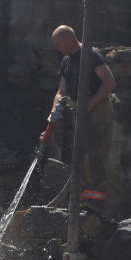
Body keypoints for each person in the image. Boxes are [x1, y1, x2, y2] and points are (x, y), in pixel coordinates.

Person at [48, 24, 120, 213]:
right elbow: (61, 92)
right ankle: (84, 202)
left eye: (59, 43)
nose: (56, 48)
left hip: (98, 111)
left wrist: (90, 104)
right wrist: (54, 111)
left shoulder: (91, 54)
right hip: (78, 112)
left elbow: (109, 82)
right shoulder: (66, 61)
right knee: (81, 154)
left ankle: (100, 206)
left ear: (70, 40)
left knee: (97, 156)